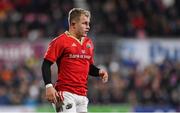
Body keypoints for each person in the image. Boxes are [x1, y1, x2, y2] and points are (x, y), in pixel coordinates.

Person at [41, 8, 108, 113]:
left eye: (88, 23)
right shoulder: (60, 41)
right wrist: (48, 86)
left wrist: (99, 72)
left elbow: (88, 66)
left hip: (82, 95)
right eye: (84, 23)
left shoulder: (88, 43)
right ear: (73, 24)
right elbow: (46, 64)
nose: (88, 27)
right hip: (65, 93)